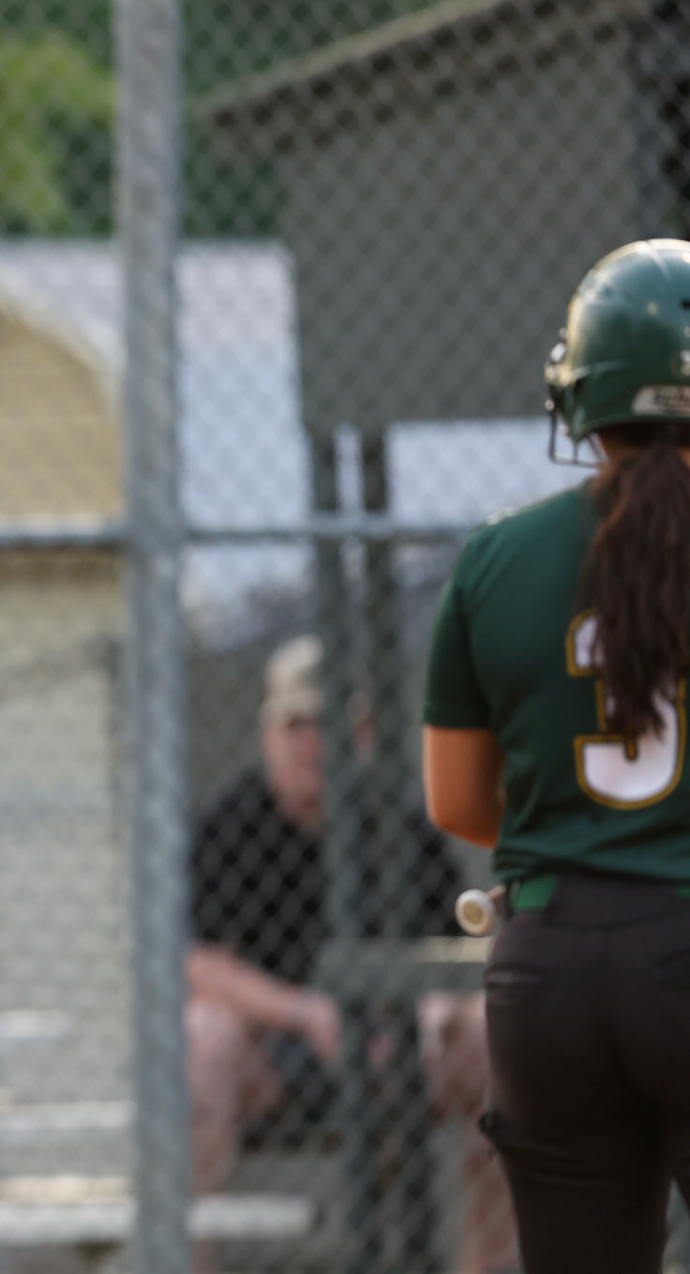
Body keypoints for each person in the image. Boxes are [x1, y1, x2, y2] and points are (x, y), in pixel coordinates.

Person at [424, 237, 690, 1273]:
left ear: (579, 390)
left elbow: (456, 799)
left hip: (551, 969)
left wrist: (592, 841)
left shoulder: (498, 555)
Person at [190, 635, 512, 1272]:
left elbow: (462, 944)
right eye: (298, 724)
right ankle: (188, 1261)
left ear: (362, 736)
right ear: (269, 735)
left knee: (499, 1038)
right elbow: (198, 965)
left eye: (332, 724)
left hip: (401, 1046)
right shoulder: (231, 822)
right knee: (200, 1034)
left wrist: (436, 1008)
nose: (314, 742)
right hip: (279, 1050)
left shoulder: (397, 826)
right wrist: (306, 1013)